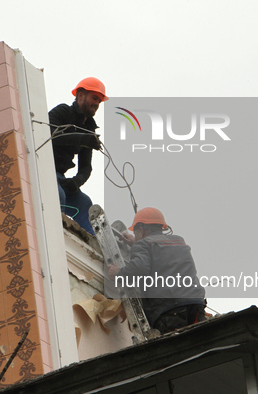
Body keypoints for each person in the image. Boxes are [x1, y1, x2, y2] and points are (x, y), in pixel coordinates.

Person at [108, 207, 206, 334]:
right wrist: (136, 244)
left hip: (170, 310)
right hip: (196, 304)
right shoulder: (179, 241)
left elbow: (139, 268)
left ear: (141, 230)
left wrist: (118, 273)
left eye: (136, 232)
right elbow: (162, 255)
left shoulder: (143, 244)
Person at [48, 77, 108, 235]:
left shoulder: (88, 128)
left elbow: (86, 167)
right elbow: (49, 138)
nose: (97, 103)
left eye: (100, 101)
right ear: (80, 95)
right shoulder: (62, 112)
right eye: (94, 98)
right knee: (58, 194)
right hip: (43, 169)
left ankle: (95, 242)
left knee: (84, 204)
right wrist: (84, 139)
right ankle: (56, 235)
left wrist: (76, 181)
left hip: (60, 176)